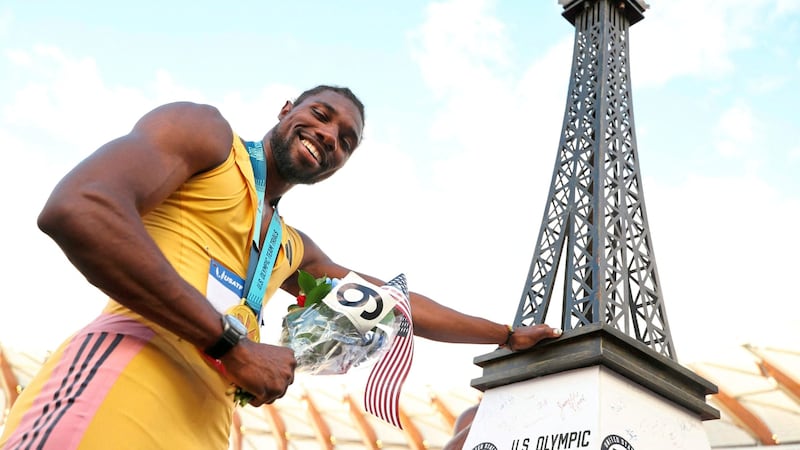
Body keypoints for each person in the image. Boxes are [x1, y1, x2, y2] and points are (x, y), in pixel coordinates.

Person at [0, 85, 560, 449]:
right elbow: (80, 209)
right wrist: (231, 347)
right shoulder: (207, 138)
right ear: (286, 108)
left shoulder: (293, 248)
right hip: (126, 375)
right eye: (321, 115)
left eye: (346, 141)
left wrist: (505, 335)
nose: (329, 136)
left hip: (210, 423)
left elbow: (396, 306)